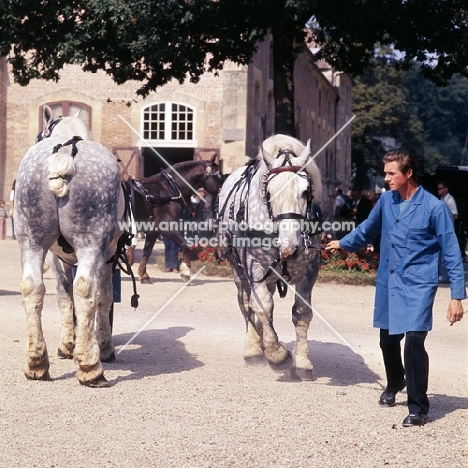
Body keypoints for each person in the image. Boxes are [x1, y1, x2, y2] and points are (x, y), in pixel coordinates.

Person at [326, 150, 466, 428]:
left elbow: (451, 252)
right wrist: (343, 242)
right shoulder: (386, 202)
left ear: (408, 174)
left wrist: (457, 296)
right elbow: (367, 229)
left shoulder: (434, 208)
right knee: (388, 341)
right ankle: (395, 381)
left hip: (419, 284)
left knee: (414, 342)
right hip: (389, 282)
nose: (386, 178)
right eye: (386, 172)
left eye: (392, 173)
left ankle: (418, 407)